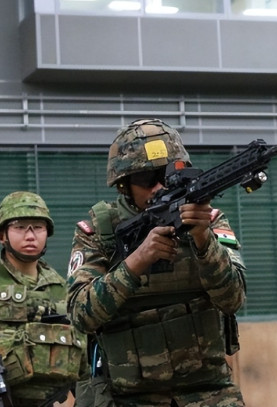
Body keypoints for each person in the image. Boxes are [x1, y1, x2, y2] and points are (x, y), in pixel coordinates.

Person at [67, 118, 246, 406]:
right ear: (124, 184)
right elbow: (80, 313)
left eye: (169, 175)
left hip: (209, 393)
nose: (159, 187)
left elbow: (233, 299)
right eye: (146, 179)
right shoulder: (101, 231)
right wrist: (137, 261)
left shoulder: (208, 220)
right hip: (130, 398)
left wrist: (203, 239)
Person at [0, 191, 87, 407]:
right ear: (2, 235)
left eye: (38, 227)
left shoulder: (63, 288)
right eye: (20, 227)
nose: (30, 236)